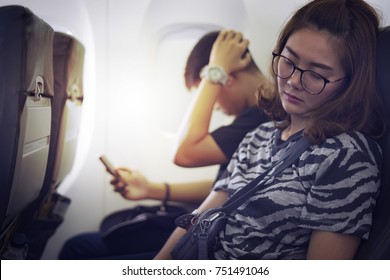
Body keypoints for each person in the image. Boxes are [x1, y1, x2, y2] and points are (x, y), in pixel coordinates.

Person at [155, 0, 387, 260]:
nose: (293, 81)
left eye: (317, 74)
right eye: (289, 60)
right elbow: (201, 217)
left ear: (349, 83)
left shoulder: (346, 156)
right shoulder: (258, 136)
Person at [58, 30, 270, 259]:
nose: (219, 109)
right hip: (209, 229)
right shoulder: (254, 118)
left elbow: (184, 153)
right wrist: (151, 189)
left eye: (214, 96)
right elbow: (223, 187)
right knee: (81, 246)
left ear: (226, 78)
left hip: (217, 241)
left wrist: (214, 71)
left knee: (78, 250)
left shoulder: (261, 118)